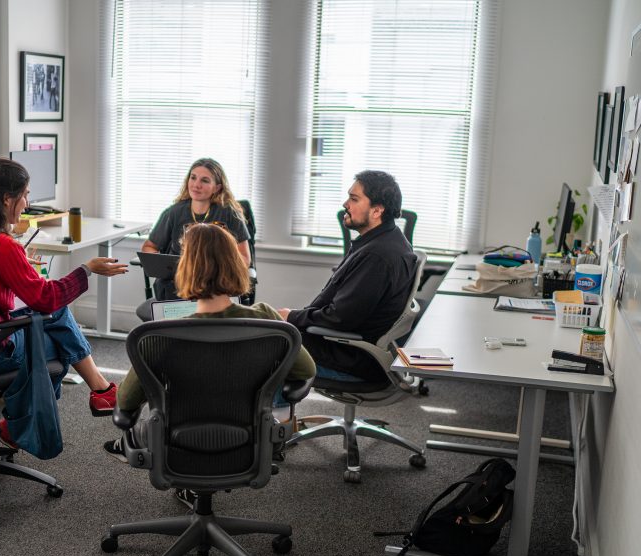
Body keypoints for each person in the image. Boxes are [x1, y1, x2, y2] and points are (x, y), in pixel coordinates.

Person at [105, 223, 316, 488]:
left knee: (137, 426)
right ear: (234, 264)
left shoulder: (159, 336)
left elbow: (125, 403)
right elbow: (306, 371)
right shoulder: (267, 321)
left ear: (185, 269)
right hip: (250, 439)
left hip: (175, 441)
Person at [0, 158, 128, 449]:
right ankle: (93, 393)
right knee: (59, 340)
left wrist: (18, 268)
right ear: (7, 199)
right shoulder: (1, 245)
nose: (27, 203)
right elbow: (46, 298)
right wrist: (87, 269)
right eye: (25, 194)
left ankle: (96, 391)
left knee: (56, 317)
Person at [278, 170, 418, 383]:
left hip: (352, 358)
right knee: (269, 330)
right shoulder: (386, 241)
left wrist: (292, 317)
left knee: (267, 344)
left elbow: (340, 318)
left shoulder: (376, 256)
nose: (346, 204)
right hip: (351, 348)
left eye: (354, 199)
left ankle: (269, 416)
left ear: (377, 210)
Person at [141, 158, 251, 301]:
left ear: (217, 187)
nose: (196, 185)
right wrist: (161, 263)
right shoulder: (173, 213)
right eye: (193, 178)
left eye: (205, 181)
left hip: (217, 287)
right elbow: (149, 247)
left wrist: (218, 268)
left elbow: (244, 259)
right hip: (178, 286)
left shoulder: (229, 214)